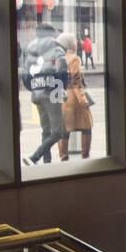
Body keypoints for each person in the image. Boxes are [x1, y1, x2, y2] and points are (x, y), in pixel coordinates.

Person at [21, 23, 67, 164]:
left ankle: (47, 161)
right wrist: (61, 87)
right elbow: (62, 70)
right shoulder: (56, 47)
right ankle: (35, 157)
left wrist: (33, 87)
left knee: (46, 130)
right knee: (58, 131)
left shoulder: (29, 48)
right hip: (51, 92)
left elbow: (25, 74)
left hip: (37, 92)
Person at [56, 31, 93, 160]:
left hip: (64, 98)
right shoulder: (74, 59)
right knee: (87, 126)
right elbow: (76, 82)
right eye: (74, 41)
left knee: (65, 129)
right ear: (71, 44)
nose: (77, 43)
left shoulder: (59, 59)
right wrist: (83, 100)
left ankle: (63, 156)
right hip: (75, 98)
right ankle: (85, 155)